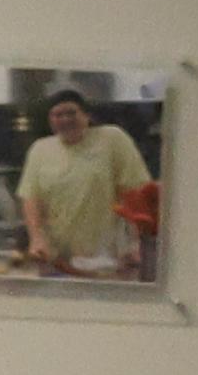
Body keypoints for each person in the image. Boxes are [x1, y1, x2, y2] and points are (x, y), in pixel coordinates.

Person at [19, 89, 157, 280]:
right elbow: (31, 198)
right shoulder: (40, 149)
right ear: (50, 120)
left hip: (108, 260)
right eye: (58, 115)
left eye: (71, 113)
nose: (65, 119)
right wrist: (36, 238)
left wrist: (136, 243)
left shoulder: (112, 139)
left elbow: (135, 191)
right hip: (58, 261)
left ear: (86, 116)